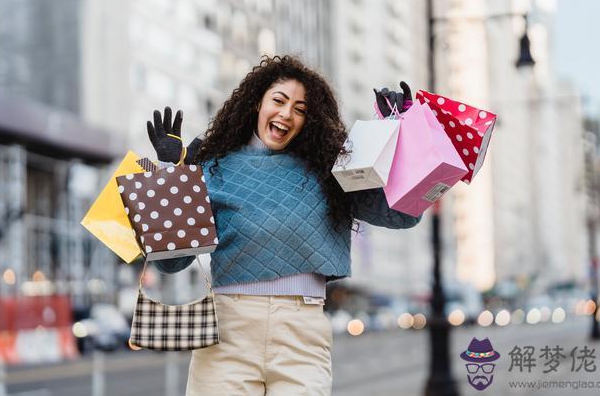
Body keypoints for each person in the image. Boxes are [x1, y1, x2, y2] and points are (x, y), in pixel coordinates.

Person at [146, 55, 422, 396]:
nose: (286, 114)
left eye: (301, 108)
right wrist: (175, 175)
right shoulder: (213, 167)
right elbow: (171, 263)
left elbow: (402, 214)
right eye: (278, 100)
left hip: (301, 335)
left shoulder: (333, 167)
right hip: (227, 334)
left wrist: (407, 133)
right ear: (255, 103)